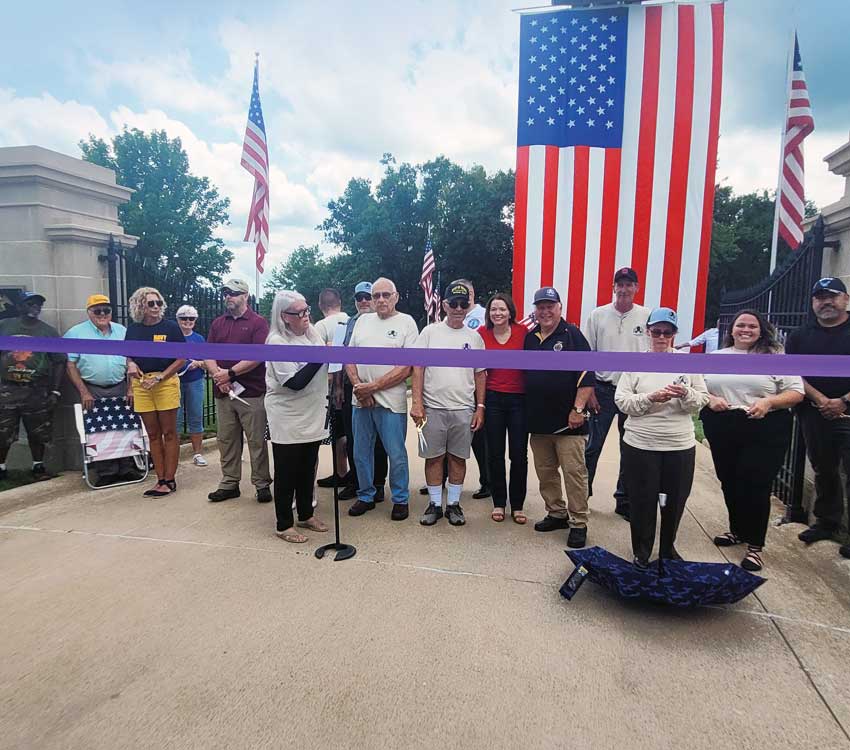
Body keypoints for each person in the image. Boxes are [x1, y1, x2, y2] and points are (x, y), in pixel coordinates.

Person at [701, 309, 804, 571]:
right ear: (732, 330)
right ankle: (737, 530)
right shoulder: (716, 357)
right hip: (724, 424)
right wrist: (710, 399)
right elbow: (698, 387)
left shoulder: (775, 358)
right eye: (741, 325)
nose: (746, 330)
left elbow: (796, 393)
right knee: (729, 480)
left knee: (755, 483)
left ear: (761, 330)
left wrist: (769, 401)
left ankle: (755, 546)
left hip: (764, 426)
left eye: (752, 326)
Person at [615, 307, 709, 568]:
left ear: (674, 334)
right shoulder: (635, 363)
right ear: (648, 332)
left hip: (678, 444)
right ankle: (641, 552)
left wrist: (685, 394)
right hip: (641, 443)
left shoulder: (687, 363)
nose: (661, 336)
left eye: (667, 332)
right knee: (642, 500)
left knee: (675, 500)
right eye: (656, 331)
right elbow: (622, 401)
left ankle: (668, 549)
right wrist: (650, 398)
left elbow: (701, 402)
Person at [524, 287, 595, 548]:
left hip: (569, 422)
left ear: (560, 307)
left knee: (574, 473)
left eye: (550, 306)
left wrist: (578, 409)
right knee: (546, 472)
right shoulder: (530, 337)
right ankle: (556, 513)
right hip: (539, 422)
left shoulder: (573, 335)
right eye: (540, 307)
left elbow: (588, 374)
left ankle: (579, 522)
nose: (545, 311)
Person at [785, 277, 850, 560]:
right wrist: (821, 400)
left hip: (847, 409)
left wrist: (843, 401)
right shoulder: (800, 336)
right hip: (815, 410)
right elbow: (794, 373)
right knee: (823, 468)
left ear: (845, 299)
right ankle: (826, 522)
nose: (826, 302)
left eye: (832, 296)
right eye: (820, 297)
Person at [411, 280, 486, 527]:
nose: (458, 308)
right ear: (444, 305)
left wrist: (480, 407)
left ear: (469, 306)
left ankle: (453, 504)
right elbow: (418, 369)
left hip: (463, 409)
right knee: (433, 458)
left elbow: (480, 374)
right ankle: (434, 504)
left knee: (457, 458)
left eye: (463, 303)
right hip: (432, 408)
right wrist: (417, 403)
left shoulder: (474, 338)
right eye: (453, 303)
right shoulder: (430, 332)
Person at [346, 277, 419, 520]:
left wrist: (372, 387)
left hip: (390, 403)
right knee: (360, 451)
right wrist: (359, 387)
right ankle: (365, 495)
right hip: (361, 402)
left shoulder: (406, 322)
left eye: (385, 295)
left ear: (396, 297)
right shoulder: (362, 321)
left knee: (396, 453)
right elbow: (349, 357)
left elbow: (407, 366)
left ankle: (400, 499)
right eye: (376, 295)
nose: (380, 300)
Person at [583, 267, 651, 520]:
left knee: (630, 448)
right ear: (613, 287)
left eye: (629, 284)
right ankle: (583, 497)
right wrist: (588, 390)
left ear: (636, 288)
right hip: (602, 389)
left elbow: (652, 353)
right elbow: (586, 354)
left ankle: (624, 499)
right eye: (619, 284)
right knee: (592, 447)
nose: (624, 289)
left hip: (633, 391)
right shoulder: (598, 315)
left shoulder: (647, 316)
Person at [265, 290, 329, 543]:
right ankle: (284, 524)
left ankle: (306, 513)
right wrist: (320, 356)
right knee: (286, 470)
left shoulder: (311, 335)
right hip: (288, 415)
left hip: (312, 411)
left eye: (306, 310)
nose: (305, 316)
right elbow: (294, 382)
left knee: (307, 466)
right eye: (298, 313)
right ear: (284, 316)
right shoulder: (277, 341)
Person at [204, 279, 272, 504]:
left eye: (233, 293)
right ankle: (229, 482)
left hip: (251, 392)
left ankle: (261, 484)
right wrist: (218, 376)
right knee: (226, 440)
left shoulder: (257, 323)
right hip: (224, 392)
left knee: (256, 441)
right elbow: (208, 353)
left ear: (245, 296)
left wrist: (230, 373)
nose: (228, 297)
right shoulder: (218, 323)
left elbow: (257, 355)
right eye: (225, 293)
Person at [64, 294, 138, 485]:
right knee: (98, 430)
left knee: (124, 427)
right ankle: (106, 473)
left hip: (121, 386)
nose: (103, 314)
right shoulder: (76, 333)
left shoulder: (122, 331)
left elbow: (131, 360)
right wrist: (84, 392)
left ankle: (127, 468)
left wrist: (131, 388)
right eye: (98, 310)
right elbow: (70, 365)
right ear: (89, 312)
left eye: (106, 310)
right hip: (93, 388)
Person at [325, 281, 388, 501]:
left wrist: (374, 385)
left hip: (379, 386)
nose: (364, 301)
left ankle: (378, 484)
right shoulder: (347, 324)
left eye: (367, 297)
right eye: (359, 297)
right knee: (354, 438)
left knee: (379, 440)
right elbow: (340, 358)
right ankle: (357, 481)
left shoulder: (384, 323)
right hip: (352, 387)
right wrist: (339, 387)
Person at [124, 287, 186, 497]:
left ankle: (170, 479)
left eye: (159, 303)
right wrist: (130, 364)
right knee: (152, 433)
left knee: (168, 432)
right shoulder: (133, 330)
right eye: (151, 303)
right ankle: (159, 478)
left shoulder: (171, 327)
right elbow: (128, 355)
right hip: (141, 382)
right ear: (140, 305)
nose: (156, 307)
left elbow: (181, 358)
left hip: (164, 380)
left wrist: (162, 377)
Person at [0, 292, 66, 482]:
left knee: (38, 432)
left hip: (37, 391)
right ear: (20, 306)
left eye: (38, 304)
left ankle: (38, 466)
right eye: (30, 303)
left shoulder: (48, 332)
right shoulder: (4, 326)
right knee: (3, 432)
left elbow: (60, 361)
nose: (35, 306)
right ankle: (1, 467)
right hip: (7, 390)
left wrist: (55, 390)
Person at [478, 292, 528, 524]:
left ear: (510, 312)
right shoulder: (481, 334)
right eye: (493, 309)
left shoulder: (523, 333)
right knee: (495, 455)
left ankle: (517, 505)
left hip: (519, 400)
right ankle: (499, 502)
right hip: (493, 399)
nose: (497, 313)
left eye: (502, 309)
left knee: (518, 455)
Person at [313, 288, 351, 488]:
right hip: (352, 382)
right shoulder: (352, 321)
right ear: (340, 302)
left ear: (321, 306)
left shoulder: (320, 326)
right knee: (349, 431)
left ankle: (341, 472)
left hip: (330, 385)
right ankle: (350, 472)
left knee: (337, 432)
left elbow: (317, 358)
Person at [459, 278, 489, 499]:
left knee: (480, 441)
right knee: (447, 441)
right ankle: (440, 480)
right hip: (457, 385)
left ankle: (486, 482)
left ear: (473, 293)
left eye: (467, 293)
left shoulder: (484, 315)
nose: (463, 299)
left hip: (477, 383)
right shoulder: (453, 315)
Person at [175, 305, 208, 467]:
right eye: (183, 318)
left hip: (195, 381)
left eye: (191, 319)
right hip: (175, 382)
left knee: (196, 416)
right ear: (178, 320)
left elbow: (208, 361)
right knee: (176, 419)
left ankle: (198, 453)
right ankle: (174, 454)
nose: (187, 321)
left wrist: (199, 363)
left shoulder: (199, 339)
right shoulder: (172, 337)